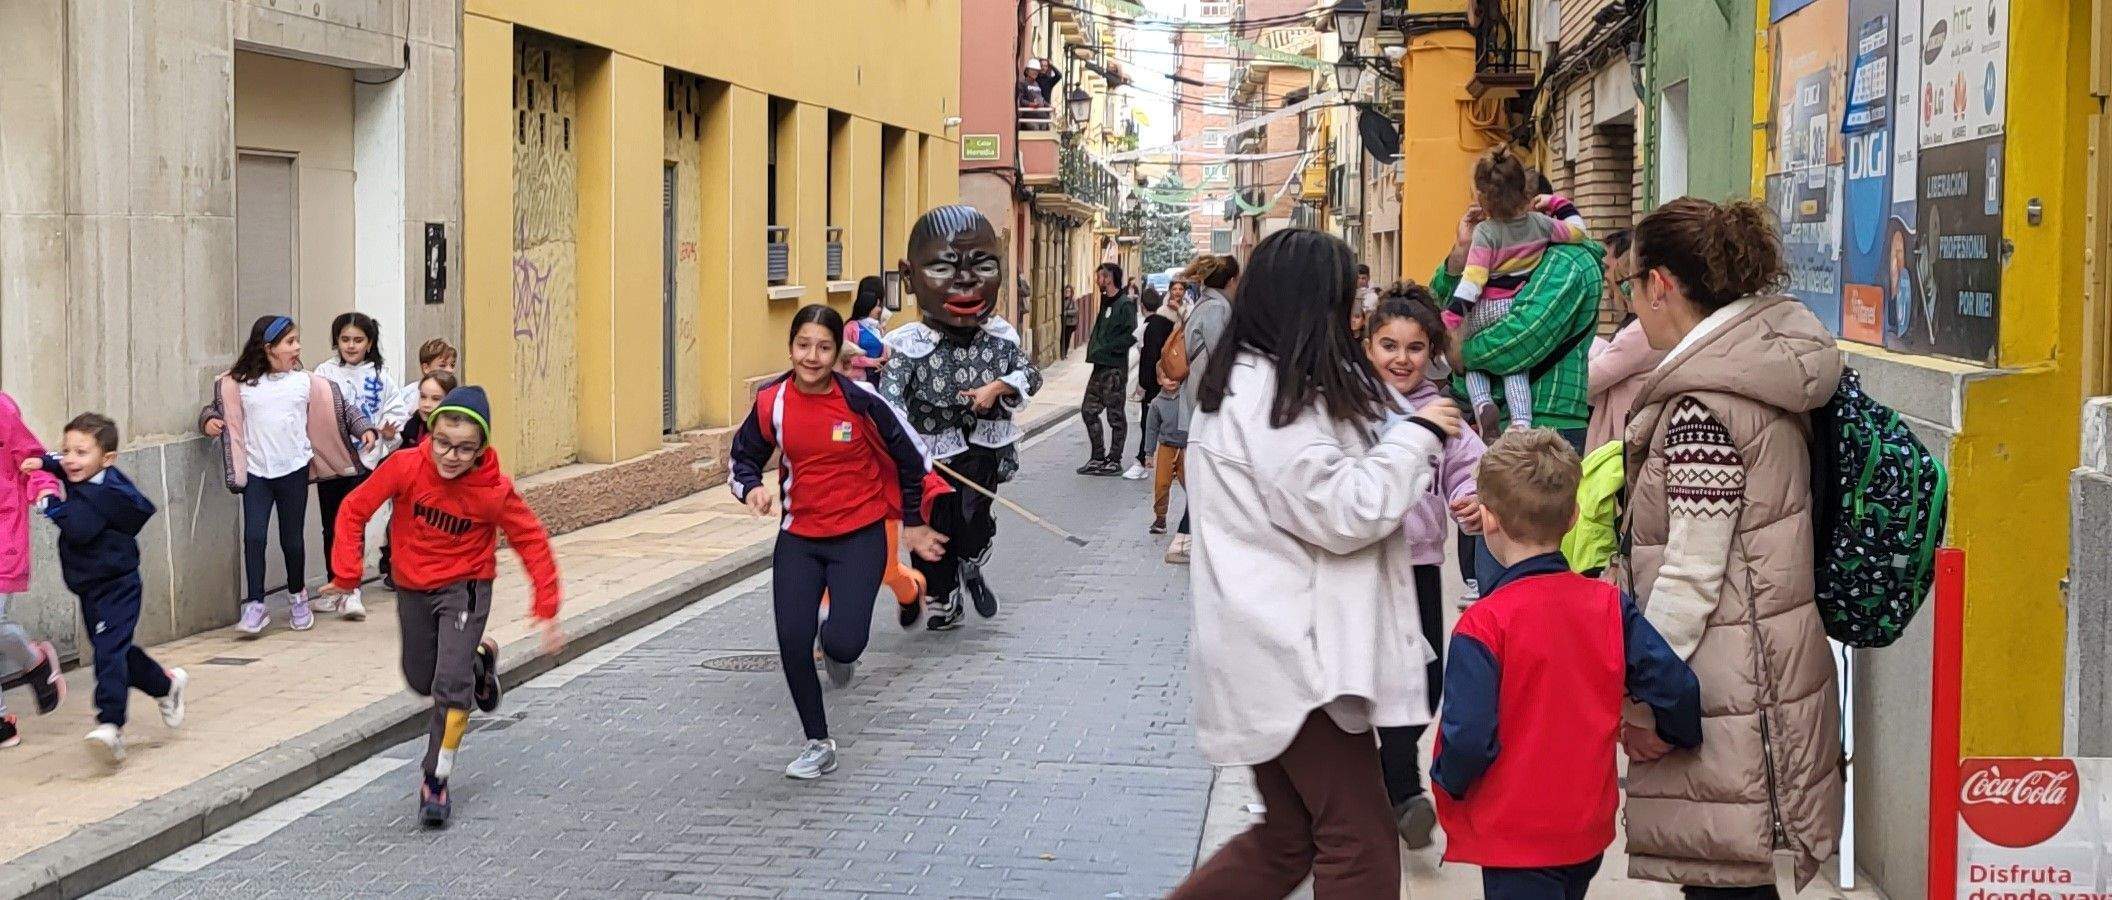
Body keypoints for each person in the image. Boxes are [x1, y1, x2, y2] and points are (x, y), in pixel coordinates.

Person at [1170, 228, 1463, 900]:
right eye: (1345, 303)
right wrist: (1417, 437)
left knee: (1289, 838)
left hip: (1276, 647)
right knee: (1359, 843)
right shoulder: (1270, 401)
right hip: (1296, 657)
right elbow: (1346, 509)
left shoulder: (1262, 384)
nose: (1355, 317)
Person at [1618, 197, 1845, 897]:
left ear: (1660, 285)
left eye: (1630, 286)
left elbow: (1691, 573)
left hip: (1722, 686)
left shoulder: (1701, 409)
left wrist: (1646, 695)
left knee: (1726, 884)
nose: (1631, 305)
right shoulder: (1757, 369)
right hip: (1762, 667)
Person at [1432, 429, 1702, 900]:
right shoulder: (1609, 606)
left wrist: (1448, 781)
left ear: (1488, 519)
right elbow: (1676, 686)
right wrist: (1673, 733)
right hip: (1583, 827)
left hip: (1514, 833)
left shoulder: (1482, 625)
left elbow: (1468, 736)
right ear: (1574, 515)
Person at [323, 385, 565, 828]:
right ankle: (477, 662)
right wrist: (347, 574)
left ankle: (436, 777)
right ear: (430, 434)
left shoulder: (493, 490)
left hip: (465, 588)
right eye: (443, 444)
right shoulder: (405, 467)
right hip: (413, 586)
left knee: (449, 689)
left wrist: (547, 606)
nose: (451, 457)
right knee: (422, 680)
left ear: (480, 449)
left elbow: (531, 539)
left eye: (464, 448)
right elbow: (354, 508)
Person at [731, 304, 948, 778]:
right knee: (792, 641)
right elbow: (742, 457)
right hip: (799, 539)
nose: (812, 356)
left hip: (860, 538)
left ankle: (837, 643)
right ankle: (818, 742)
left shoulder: (860, 400)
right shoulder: (772, 402)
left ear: (836, 354)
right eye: (803, 345)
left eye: (823, 347)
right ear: (790, 348)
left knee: (844, 643)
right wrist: (751, 489)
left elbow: (913, 459)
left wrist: (912, 522)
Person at [1360, 290, 1487, 848]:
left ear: (1431, 352)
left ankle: (1390, 779)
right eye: (1388, 345)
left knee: (1425, 686)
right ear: (1368, 346)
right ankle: (1401, 791)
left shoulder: (1443, 412)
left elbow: (1470, 468)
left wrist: (1471, 498)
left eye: (1414, 348)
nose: (1401, 358)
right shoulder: (1354, 409)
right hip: (1365, 568)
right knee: (1372, 685)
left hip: (1420, 566)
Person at [879, 205, 1043, 632]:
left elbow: (1030, 375)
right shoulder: (906, 345)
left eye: (983, 266)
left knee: (972, 523)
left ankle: (971, 564)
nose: (966, 281)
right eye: (943, 268)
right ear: (909, 277)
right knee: (932, 532)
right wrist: (900, 444)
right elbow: (888, 402)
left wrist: (998, 388)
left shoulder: (1000, 338)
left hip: (981, 450)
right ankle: (944, 597)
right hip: (927, 459)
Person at [27, 414, 188, 765]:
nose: (71, 459)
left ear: (108, 459)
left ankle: (110, 724)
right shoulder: (88, 476)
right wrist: (44, 462)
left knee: (108, 653)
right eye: (67, 450)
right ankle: (165, 686)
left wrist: (48, 503)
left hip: (118, 586)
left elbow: (79, 528)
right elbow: (64, 467)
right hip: (90, 586)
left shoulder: (107, 495)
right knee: (115, 649)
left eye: (81, 452)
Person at [200, 316, 376, 636]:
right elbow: (216, 408)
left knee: (291, 539)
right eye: (290, 342)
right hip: (257, 472)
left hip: (293, 469)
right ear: (269, 348)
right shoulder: (239, 383)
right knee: (254, 537)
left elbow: (342, 408)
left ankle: (297, 596)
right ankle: (256, 605)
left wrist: (364, 428)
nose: (297, 347)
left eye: (297, 341)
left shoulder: (305, 382)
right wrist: (209, 421)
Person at [1448, 147, 1590, 440]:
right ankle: (1521, 420)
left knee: (1479, 363)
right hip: (1512, 305)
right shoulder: (1541, 226)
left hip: (1483, 307)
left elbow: (1474, 281)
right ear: (1526, 194)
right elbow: (1578, 230)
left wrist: (1452, 320)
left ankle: (1482, 403)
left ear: (1483, 198)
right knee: (1516, 368)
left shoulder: (1487, 232)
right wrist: (1558, 203)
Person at [311, 313, 406, 622]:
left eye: (358, 340)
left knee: (353, 522)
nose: (351, 346)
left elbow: (396, 413)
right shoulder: (324, 372)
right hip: (331, 461)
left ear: (370, 343)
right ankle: (334, 585)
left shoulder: (381, 376)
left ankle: (351, 589)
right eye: (345, 340)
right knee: (330, 524)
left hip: (364, 462)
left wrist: (388, 434)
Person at [1164, 254, 1238, 565]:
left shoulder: (1204, 305)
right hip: (1208, 400)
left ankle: (1189, 537)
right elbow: (1221, 356)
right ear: (1231, 281)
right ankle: (1183, 538)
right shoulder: (1217, 309)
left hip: (1198, 395)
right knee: (1207, 471)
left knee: (1206, 471)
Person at [0, 392, 63, 748]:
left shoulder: (2, 410)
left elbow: (32, 459)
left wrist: (45, 489)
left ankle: (34, 659)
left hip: (3, 533)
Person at [1585, 230, 1663, 452]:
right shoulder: (1637, 327)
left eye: (1627, 281)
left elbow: (1588, 381)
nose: (1609, 280)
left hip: (1621, 449)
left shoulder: (1643, 330)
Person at [1078, 262, 1137, 476]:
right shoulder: (1105, 302)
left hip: (1114, 369)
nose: (1097, 280)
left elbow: (1131, 335)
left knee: (1115, 415)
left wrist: (1108, 349)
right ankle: (1097, 456)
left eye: (1100, 276)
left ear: (1109, 278)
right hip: (1099, 366)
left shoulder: (1124, 304)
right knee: (1088, 410)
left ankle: (1114, 459)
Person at [1133, 280, 1184, 487]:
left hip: (1168, 377)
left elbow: (1149, 354)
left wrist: (1145, 383)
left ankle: (1147, 459)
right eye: (1174, 289)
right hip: (1165, 377)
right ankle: (1150, 458)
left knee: (1155, 420)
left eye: (1181, 289)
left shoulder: (1179, 315)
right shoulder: (1163, 317)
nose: (1177, 292)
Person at [844, 276, 893, 383]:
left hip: (877, 376)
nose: (880, 309)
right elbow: (846, 355)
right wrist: (871, 362)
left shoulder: (878, 327)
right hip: (857, 379)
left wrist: (883, 362)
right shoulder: (851, 327)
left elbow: (885, 351)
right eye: (877, 305)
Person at [1060, 286, 1079, 355]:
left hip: (1070, 323)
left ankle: (1065, 352)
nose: (1067, 292)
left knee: (1067, 337)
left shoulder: (1073, 300)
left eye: (1068, 291)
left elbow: (1076, 310)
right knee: (1063, 337)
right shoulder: (1062, 300)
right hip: (1064, 322)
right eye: (1066, 291)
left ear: (1071, 292)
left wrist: (1067, 312)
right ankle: (1062, 351)